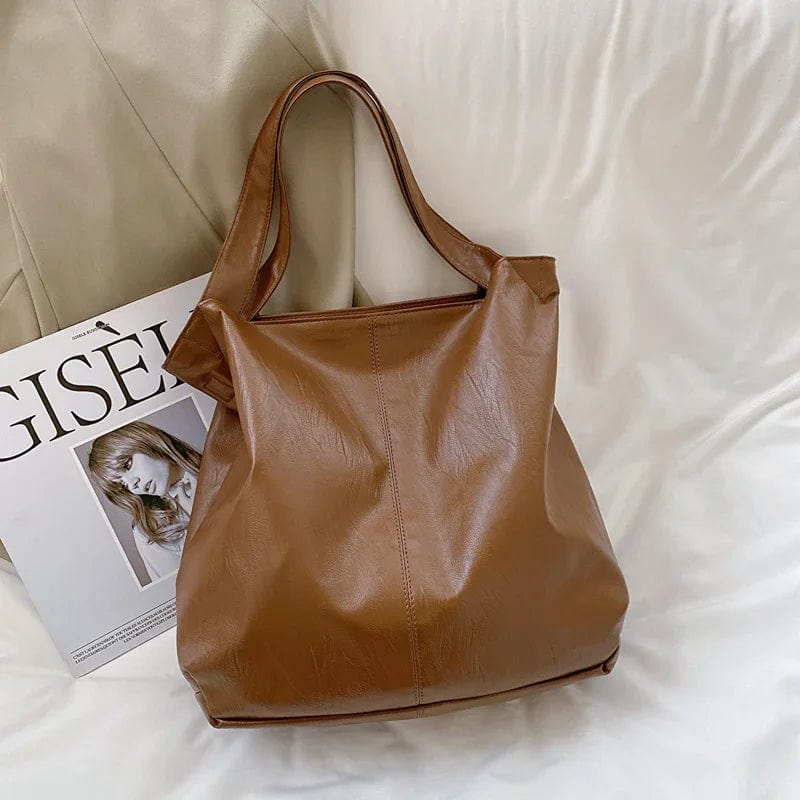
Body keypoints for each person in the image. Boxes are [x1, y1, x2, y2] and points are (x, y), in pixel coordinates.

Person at [87, 421, 201, 583]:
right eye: (123, 485)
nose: (132, 485)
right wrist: (200, 522)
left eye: (127, 465)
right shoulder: (149, 531)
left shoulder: (222, 459)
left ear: (145, 440)